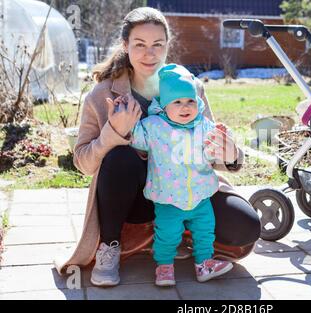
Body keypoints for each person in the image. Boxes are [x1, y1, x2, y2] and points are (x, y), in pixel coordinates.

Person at [53, 7, 261, 288]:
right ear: (125, 46)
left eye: (157, 45)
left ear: (167, 46)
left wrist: (232, 155)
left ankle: (180, 234)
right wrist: (114, 132)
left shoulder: (189, 87)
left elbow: (208, 142)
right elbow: (84, 163)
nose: (149, 54)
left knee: (245, 225)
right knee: (120, 158)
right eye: (139, 44)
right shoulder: (102, 94)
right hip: (134, 198)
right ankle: (110, 245)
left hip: (188, 189)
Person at [126, 63, 233, 286]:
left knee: (205, 231)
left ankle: (204, 264)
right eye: (177, 102)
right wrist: (128, 121)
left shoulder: (203, 125)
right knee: (167, 234)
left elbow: (215, 148)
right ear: (164, 106)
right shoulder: (153, 126)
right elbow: (137, 141)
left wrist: (222, 136)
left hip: (200, 194)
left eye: (190, 101)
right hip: (169, 197)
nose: (185, 107)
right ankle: (164, 267)